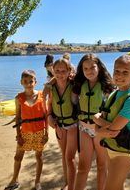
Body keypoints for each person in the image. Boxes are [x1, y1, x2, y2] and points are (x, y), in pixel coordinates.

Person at [93, 55, 130, 190]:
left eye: (125, 72)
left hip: (122, 155)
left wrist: (97, 125)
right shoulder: (115, 93)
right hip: (110, 149)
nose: (119, 75)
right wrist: (99, 123)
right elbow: (106, 123)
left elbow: (114, 130)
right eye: (117, 71)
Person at [72, 54, 115, 190]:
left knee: (102, 166)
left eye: (92, 67)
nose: (89, 71)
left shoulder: (107, 87)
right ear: (81, 70)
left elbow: (113, 109)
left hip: (100, 131)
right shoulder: (79, 85)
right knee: (83, 167)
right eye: (85, 68)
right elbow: (73, 101)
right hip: (84, 128)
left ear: (99, 67)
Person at [5, 70, 48, 190]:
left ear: (35, 82)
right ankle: (14, 180)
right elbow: (18, 118)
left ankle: (37, 182)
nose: (28, 84)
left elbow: (46, 117)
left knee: (39, 157)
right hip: (25, 133)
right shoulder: (19, 98)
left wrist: (46, 134)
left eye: (31, 81)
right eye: (25, 81)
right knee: (18, 157)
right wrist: (18, 135)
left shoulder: (42, 96)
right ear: (21, 82)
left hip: (39, 132)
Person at [46, 58, 78, 190]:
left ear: (69, 71)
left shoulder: (74, 85)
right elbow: (49, 104)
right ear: (53, 71)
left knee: (69, 157)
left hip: (73, 124)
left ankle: (72, 186)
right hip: (59, 125)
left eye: (63, 71)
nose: (60, 74)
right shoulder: (51, 87)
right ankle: (67, 183)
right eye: (57, 71)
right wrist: (49, 116)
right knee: (64, 155)